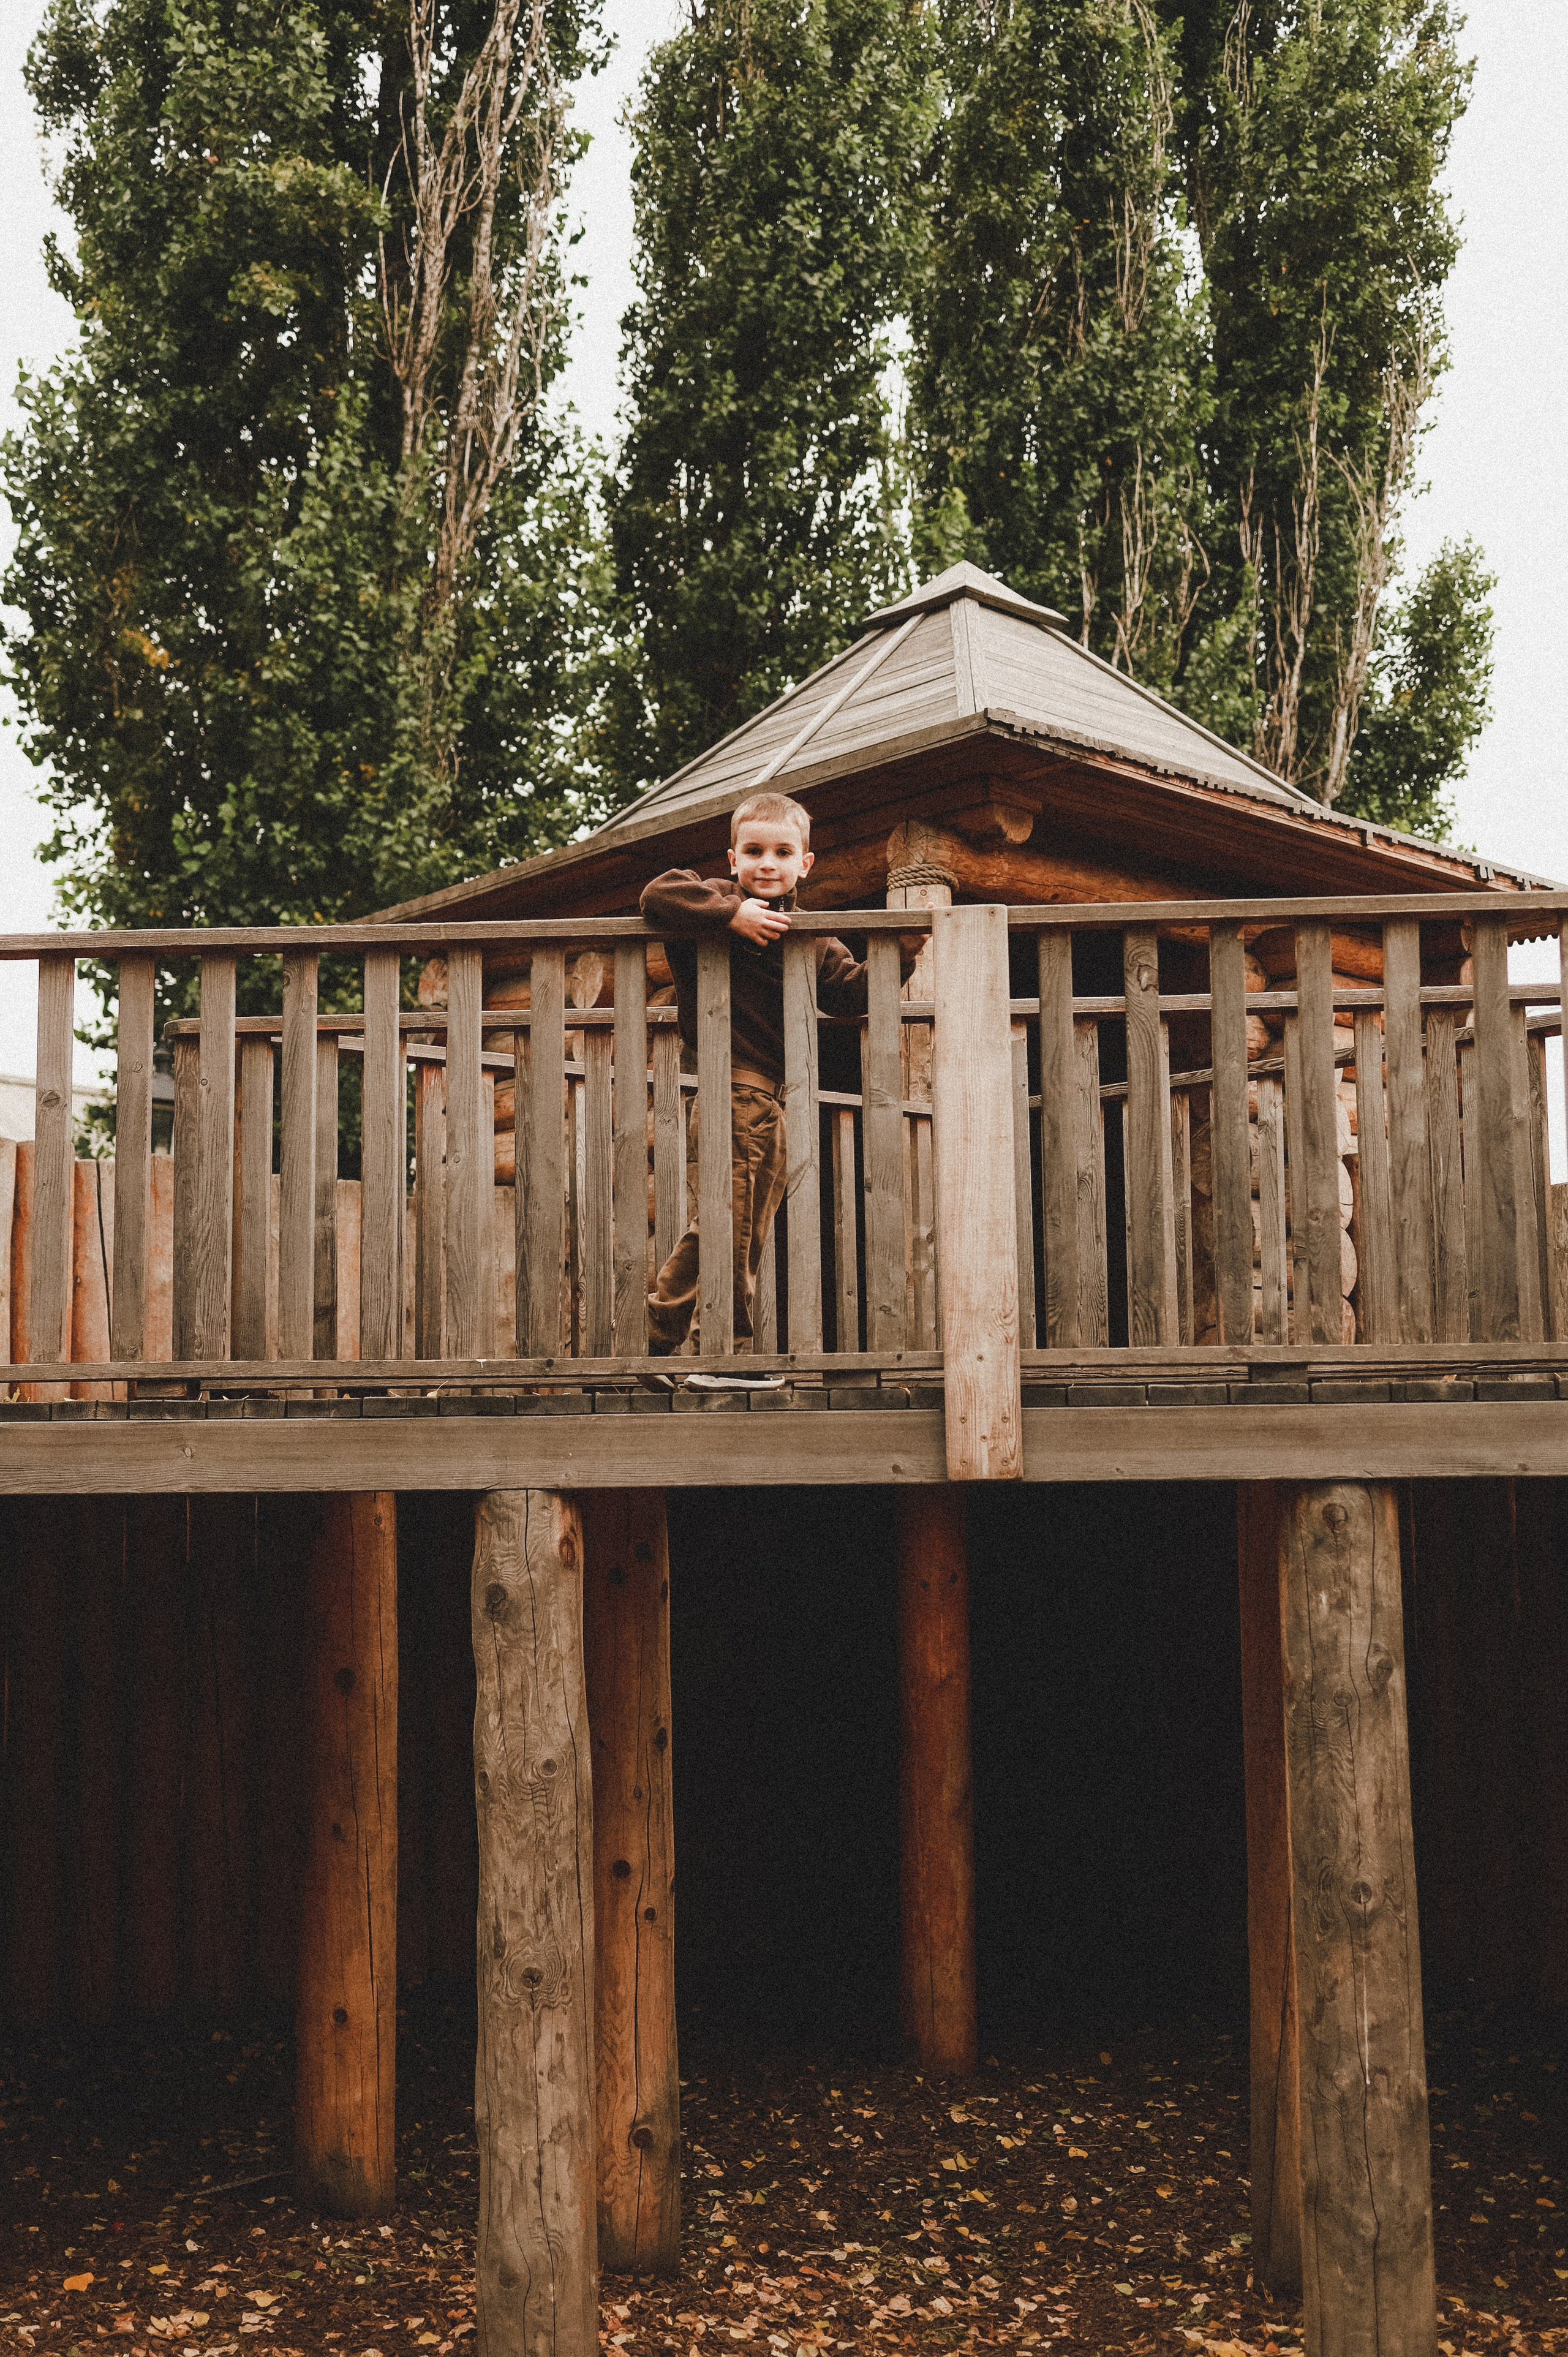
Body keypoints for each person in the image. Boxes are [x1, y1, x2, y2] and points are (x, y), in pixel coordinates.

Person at [638, 790, 912, 1390]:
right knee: (729, 1225)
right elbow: (656, 893)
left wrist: (908, 947)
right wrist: (729, 913)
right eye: (755, 850)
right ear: (732, 858)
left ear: (804, 864)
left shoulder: (808, 937)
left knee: (739, 1227)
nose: (768, 862)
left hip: (770, 1105)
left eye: (782, 851)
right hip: (727, 1091)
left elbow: (852, 994)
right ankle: (726, 1354)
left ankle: (667, 1331)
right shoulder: (712, 902)